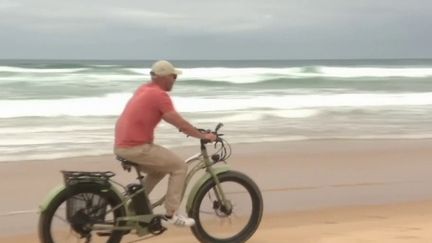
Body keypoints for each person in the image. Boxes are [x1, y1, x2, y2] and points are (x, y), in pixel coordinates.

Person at [114, 60, 217, 227]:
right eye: (174, 76)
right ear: (164, 77)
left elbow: (172, 120)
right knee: (179, 167)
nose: (175, 80)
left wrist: (190, 129)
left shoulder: (144, 89)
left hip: (123, 146)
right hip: (136, 147)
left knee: (160, 169)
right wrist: (202, 136)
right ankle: (171, 215)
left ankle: (133, 208)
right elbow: (178, 121)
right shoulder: (159, 95)